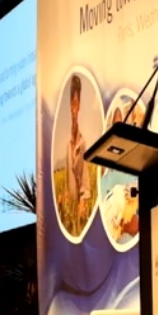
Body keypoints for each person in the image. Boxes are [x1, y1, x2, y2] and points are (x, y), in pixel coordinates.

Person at [66, 75, 90, 232]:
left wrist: (81, 208)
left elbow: (85, 187)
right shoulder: (67, 144)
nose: (74, 109)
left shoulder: (82, 144)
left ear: (79, 105)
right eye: (72, 103)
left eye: (77, 103)